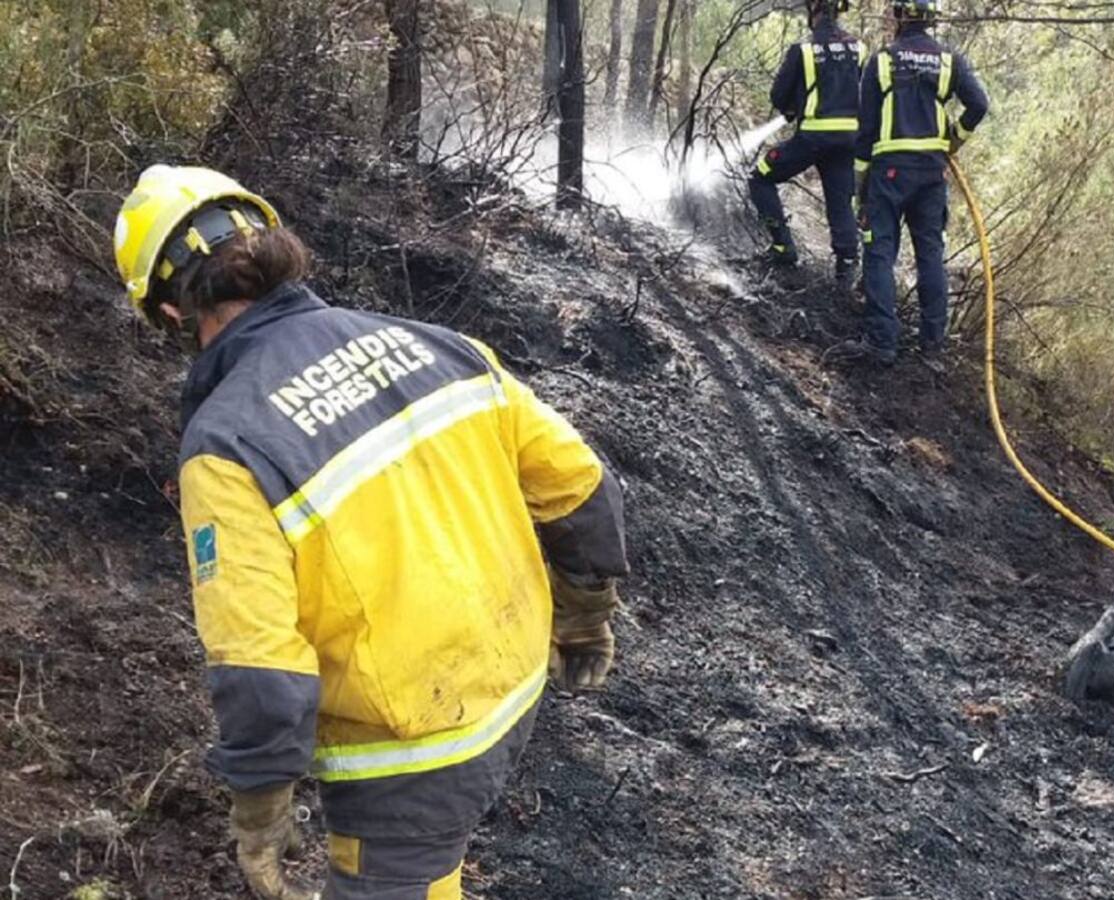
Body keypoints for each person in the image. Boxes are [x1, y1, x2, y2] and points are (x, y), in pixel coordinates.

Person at [112, 165, 629, 899]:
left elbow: (259, 662)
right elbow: (579, 487)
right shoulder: (439, 344)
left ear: (171, 313)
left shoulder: (226, 445)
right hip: (512, 682)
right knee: (427, 865)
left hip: (409, 748)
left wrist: (260, 805)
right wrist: (585, 616)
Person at [850, 0, 988, 365]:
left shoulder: (882, 61)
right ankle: (932, 346)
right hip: (931, 172)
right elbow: (979, 105)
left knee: (879, 251)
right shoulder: (949, 61)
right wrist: (955, 139)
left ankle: (882, 342)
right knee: (930, 256)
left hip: (889, 170)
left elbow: (864, 130)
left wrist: (860, 186)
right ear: (931, 19)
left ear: (898, 16)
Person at [749, 0, 865, 281]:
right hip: (849, 140)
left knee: (760, 177)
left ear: (814, 10)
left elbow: (778, 96)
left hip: (813, 137)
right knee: (840, 202)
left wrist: (792, 107)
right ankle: (847, 266)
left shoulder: (803, 50)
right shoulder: (859, 49)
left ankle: (782, 246)